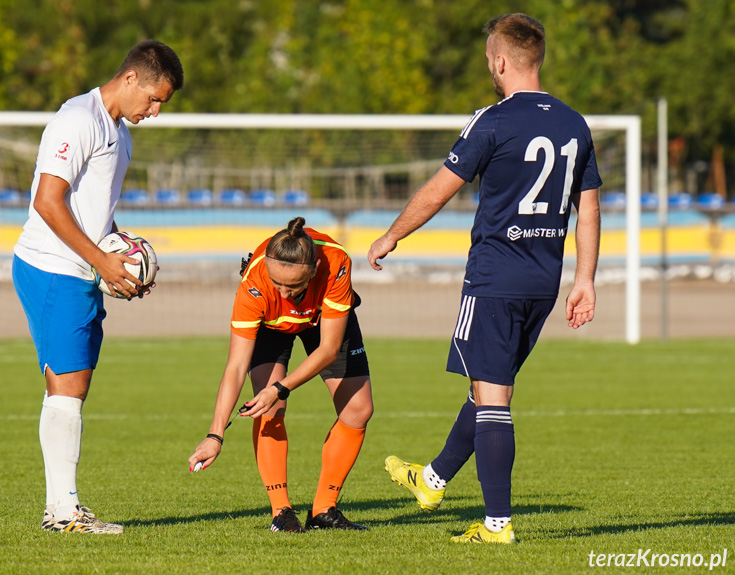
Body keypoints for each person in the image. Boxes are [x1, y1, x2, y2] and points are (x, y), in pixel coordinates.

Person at [367, 13, 601, 544]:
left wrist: (391, 235)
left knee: (493, 399)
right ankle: (431, 480)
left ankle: (498, 525)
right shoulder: (574, 124)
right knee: (486, 388)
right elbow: (588, 207)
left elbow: (438, 188)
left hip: (495, 277)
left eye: (488, 63)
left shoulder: (491, 121)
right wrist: (584, 279)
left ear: (499, 62)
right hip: (543, 281)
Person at [12, 40, 183, 534]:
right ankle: (63, 514)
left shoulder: (119, 131)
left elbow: (94, 208)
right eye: (153, 99)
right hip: (53, 267)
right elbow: (49, 202)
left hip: (79, 269)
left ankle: (63, 509)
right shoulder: (78, 120)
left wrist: (123, 256)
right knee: (67, 388)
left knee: (72, 386)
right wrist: (103, 263)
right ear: (130, 78)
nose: (154, 111)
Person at [189, 217, 373, 533]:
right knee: (269, 408)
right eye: (278, 284)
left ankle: (324, 511)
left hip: (323, 321)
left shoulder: (337, 262)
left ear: (314, 270)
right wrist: (215, 434)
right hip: (271, 328)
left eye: (294, 286)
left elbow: (328, 349)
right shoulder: (254, 284)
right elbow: (235, 366)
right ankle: (281, 512)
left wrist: (281, 386)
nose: (285, 292)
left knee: (358, 410)